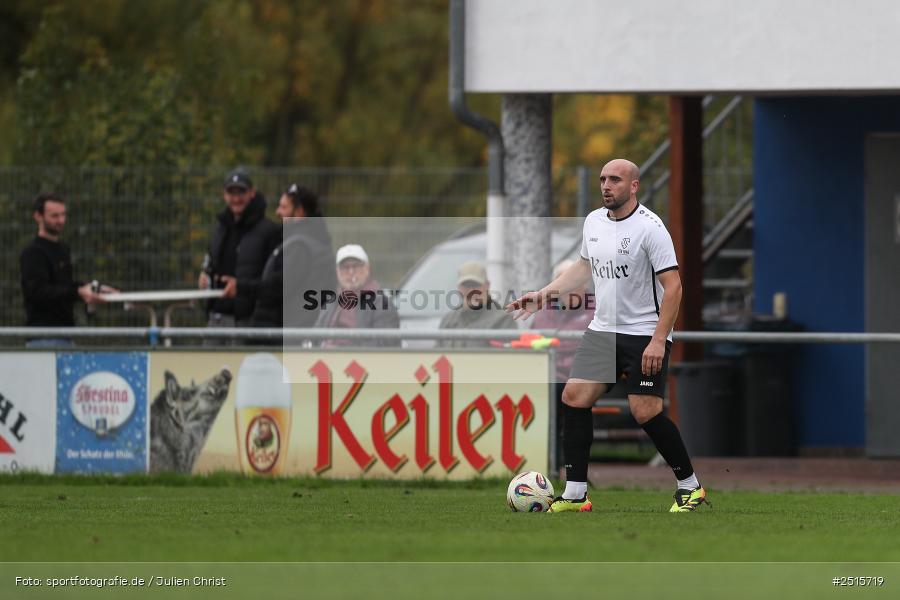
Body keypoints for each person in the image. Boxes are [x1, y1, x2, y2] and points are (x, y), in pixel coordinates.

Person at [507, 158, 707, 513]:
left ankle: (690, 487)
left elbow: (674, 287)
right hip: (602, 330)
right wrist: (542, 295)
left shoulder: (651, 228)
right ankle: (575, 493)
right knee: (574, 397)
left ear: (633, 186)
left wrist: (659, 339)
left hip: (644, 332)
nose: (606, 185)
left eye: (614, 179)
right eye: (602, 179)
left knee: (644, 411)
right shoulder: (593, 222)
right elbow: (582, 269)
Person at [20, 193, 110, 347]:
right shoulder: (33, 253)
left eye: (63, 215)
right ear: (38, 216)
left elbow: (64, 286)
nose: (61, 220)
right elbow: (37, 291)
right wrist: (78, 292)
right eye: (54, 216)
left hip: (66, 335)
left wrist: (93, 289)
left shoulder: (63, 249)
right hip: (43, 337)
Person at [199, 169, 279, 340]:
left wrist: (241, 287)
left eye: (241, 192)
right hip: (216, 318)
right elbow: (211, 262)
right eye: (231, 193)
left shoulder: (269, 231)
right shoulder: (221, 228)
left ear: (252, 193)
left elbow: (273, 282)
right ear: (224, 195)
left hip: (246, 321)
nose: (236, 199)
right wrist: (205, 276)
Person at [251, 183, 337, 334]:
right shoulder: (305, 240)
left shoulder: (300, 246)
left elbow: (278, 287)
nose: (278, 212)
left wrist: (241, 288)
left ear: (299, 212)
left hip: (287, 333)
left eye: (283, 207)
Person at [314, 244, 400, 347]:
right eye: (345, 268)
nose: (351, 272)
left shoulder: (382, 304)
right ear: (337, 272)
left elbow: (385, 344)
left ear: (367, 269)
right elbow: (315, 338)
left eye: (356, 266)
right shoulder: (331, 303)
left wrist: (342, 350)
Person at [438, 260, 517, 348]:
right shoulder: (448, 321)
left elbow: (506, 359)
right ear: (459, 288)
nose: (471, 291)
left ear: (487, 285)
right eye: (466, 285)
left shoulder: (503, 320)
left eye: (475, 285)